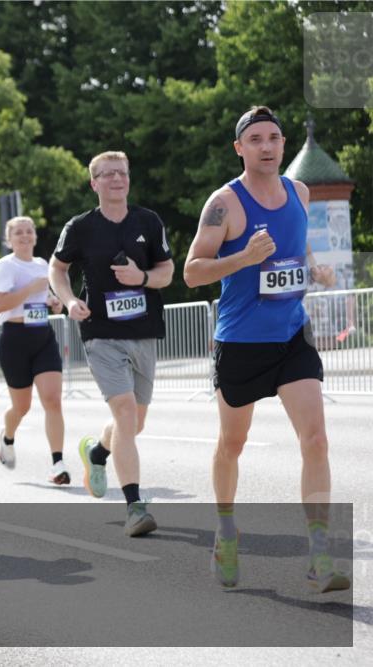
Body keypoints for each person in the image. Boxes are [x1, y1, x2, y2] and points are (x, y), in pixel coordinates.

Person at [183, 106, 347, 592]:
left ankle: (319, 554)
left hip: (292, 337)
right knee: (232, 445)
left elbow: (298, 246)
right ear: (240, 148)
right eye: (255, 138)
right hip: (241, 343)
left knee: (315, 439)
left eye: (274, 137)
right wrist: (244, 258)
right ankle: (226, 529)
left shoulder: (299, 191)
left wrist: (316, 269)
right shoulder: (224, 204)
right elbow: (193, 271)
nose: (267, 145)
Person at [49, 150, 174, 537]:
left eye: (122, 172)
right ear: (95, 183)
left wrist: (141, 278)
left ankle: (98, 452)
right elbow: (57, 268)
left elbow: (167, 272)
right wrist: (69, 301)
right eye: (108, 174)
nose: (117, 179)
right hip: (101, 333)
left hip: (143, 330)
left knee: (134, 422)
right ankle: (136, 506)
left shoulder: (148, 222)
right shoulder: (81, 227)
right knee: (124, 413)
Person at [0, 216, 70, 484]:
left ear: (35, 236)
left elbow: (41, 297)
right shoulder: (5, 266)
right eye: (18, 233)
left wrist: (53, 302)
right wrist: (30, 289)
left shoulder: (42, 265)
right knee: (21, 408)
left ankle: (57, 463)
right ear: (9, 239)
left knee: (52, 399)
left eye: (29, 231)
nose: (25, 236)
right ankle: (7, 437)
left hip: (42, 336)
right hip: (15, 340)